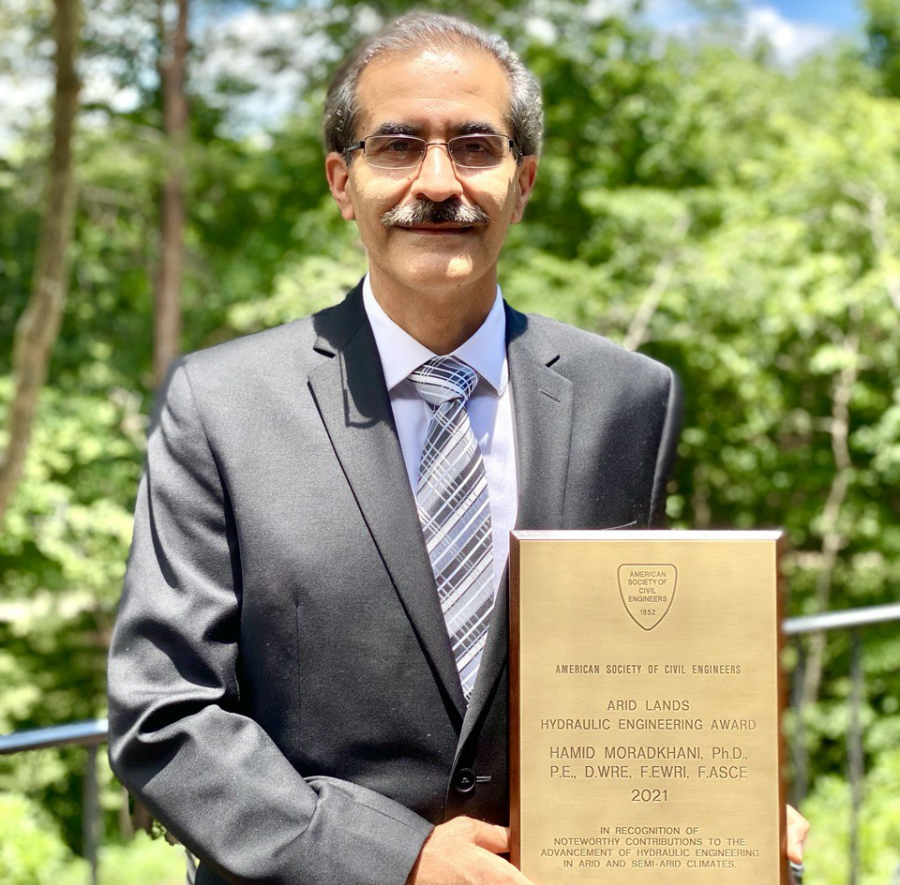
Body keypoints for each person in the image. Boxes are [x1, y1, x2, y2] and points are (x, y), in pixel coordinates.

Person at [107, 13, 807, 885]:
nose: (438, 183)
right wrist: (395, 857)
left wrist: (716, 801)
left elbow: (630, 666)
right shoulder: (221, 404)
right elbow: (163, 715)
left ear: (523, 183)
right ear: (341, 180)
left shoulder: (628, 398)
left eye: (475, 147)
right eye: (397, 145)